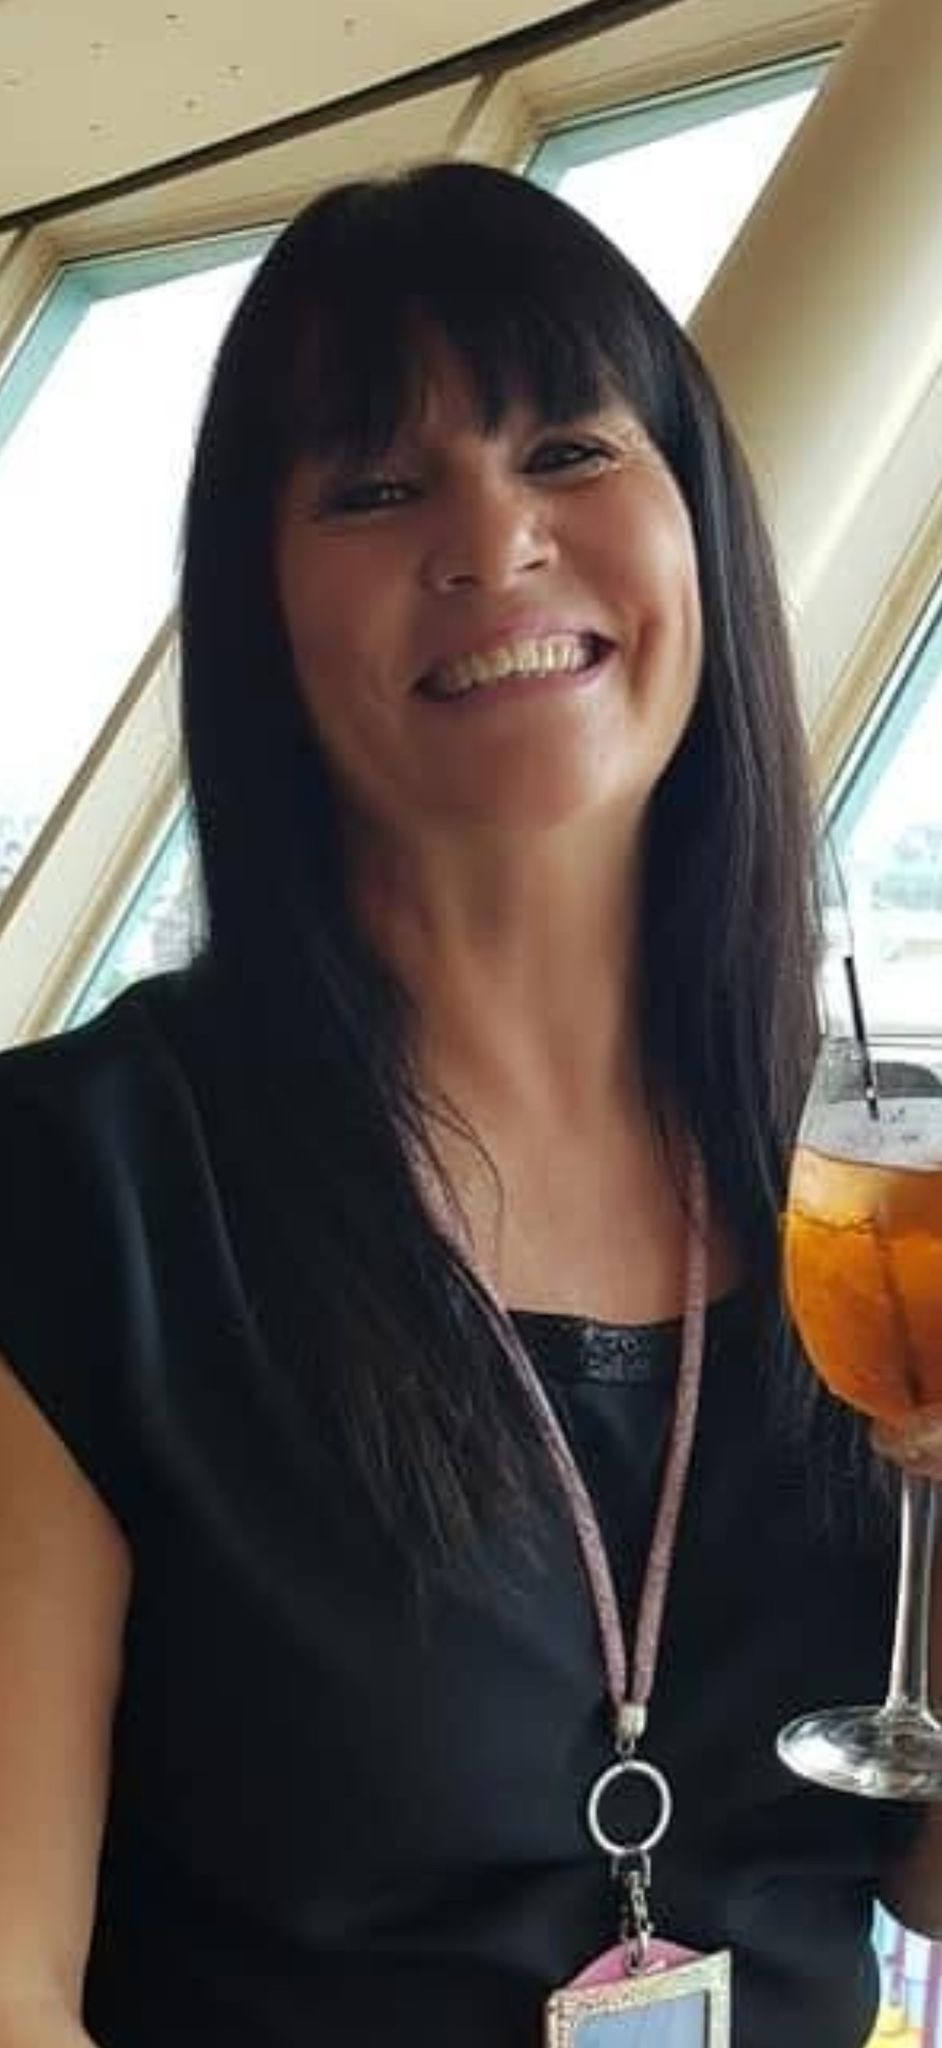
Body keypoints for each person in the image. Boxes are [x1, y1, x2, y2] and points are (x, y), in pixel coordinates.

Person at [0, 161, 939, 2048]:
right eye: (374, 486)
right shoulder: (82, 1194)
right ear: (258, 609)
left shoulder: (853, 1187)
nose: (493, 541)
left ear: (695, 525)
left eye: (569, 450)